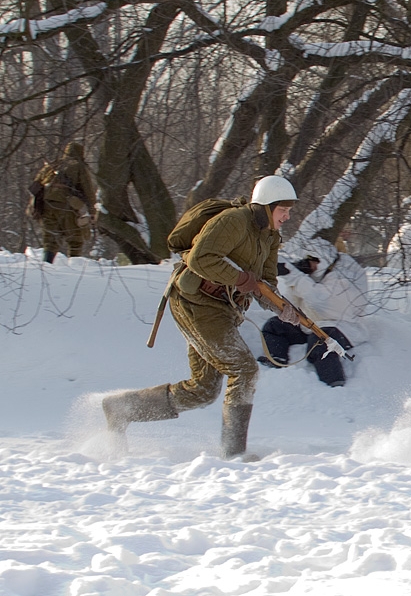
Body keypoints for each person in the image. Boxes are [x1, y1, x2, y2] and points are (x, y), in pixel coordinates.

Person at [101, 175, 302, 460]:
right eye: (284, 209)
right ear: (267, 206)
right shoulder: (233, 221)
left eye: (289, 211)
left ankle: (122, 409)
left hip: (223, 310)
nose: (287, 216)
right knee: (244, 370)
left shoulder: (270, 236)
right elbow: (200, 259)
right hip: (196, 303)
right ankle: (234, 454)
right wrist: (239, 278)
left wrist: (282, 308)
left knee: (204, 390)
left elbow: (264, 284)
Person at [257, 238, 368, 387]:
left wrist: (295, 277)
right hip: (311, 324)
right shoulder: (314, 275)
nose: (310, 266)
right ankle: (276, 361)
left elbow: (324, 303)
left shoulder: (346, 275)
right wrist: (294, 277)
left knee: (320, 343)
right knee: (274, 326)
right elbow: (293, 304)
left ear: (322, 260)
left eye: (312, 261)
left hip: (342, 327)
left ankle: (334, 383)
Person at [29, 142, 96, 263]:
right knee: (75, 239)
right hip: (67, 206)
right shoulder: (78, 166)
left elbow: (36, 185)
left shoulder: (52, 165)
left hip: (46, 205)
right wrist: (92, 210)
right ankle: (75, 267)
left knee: (50, 240)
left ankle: (46, 267)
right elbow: (88, 190)